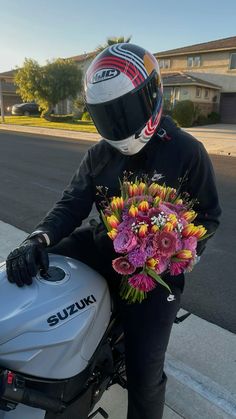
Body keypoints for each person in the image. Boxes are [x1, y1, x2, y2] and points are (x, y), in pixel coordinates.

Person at [6, 43, 221, 419]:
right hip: (103, 245)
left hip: (154, 272)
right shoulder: (99, 154)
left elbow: (209, 214)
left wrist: (181, 249)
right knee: (23, 273)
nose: (118, 124)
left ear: (151, 96)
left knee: (145, 372)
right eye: (108, 114)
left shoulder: (187, 151)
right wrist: (36, 239)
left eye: (125, 110)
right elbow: (71, 204)